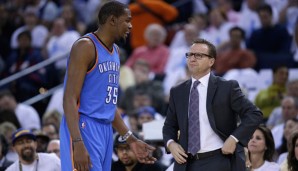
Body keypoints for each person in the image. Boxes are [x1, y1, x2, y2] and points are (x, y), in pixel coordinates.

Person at [60, 1, 156, 171]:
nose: (130, 26)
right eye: (127, 20)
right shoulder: (85, 46)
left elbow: (109, 106)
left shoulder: (116, 52)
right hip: (83, 126)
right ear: (112, 20)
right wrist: (77, 141)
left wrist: (131, 139)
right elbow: (69, 98)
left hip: (105, 130)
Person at [162, 38, 263, 171]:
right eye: (190, 54)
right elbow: (169, 125)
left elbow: (254, 114)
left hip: (219, 159)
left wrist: (234, 139)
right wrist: (171, 144)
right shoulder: (177, 91)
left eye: (198, 55)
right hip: (186, 163)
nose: (192, 58)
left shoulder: (227, 87)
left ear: (211, 61)